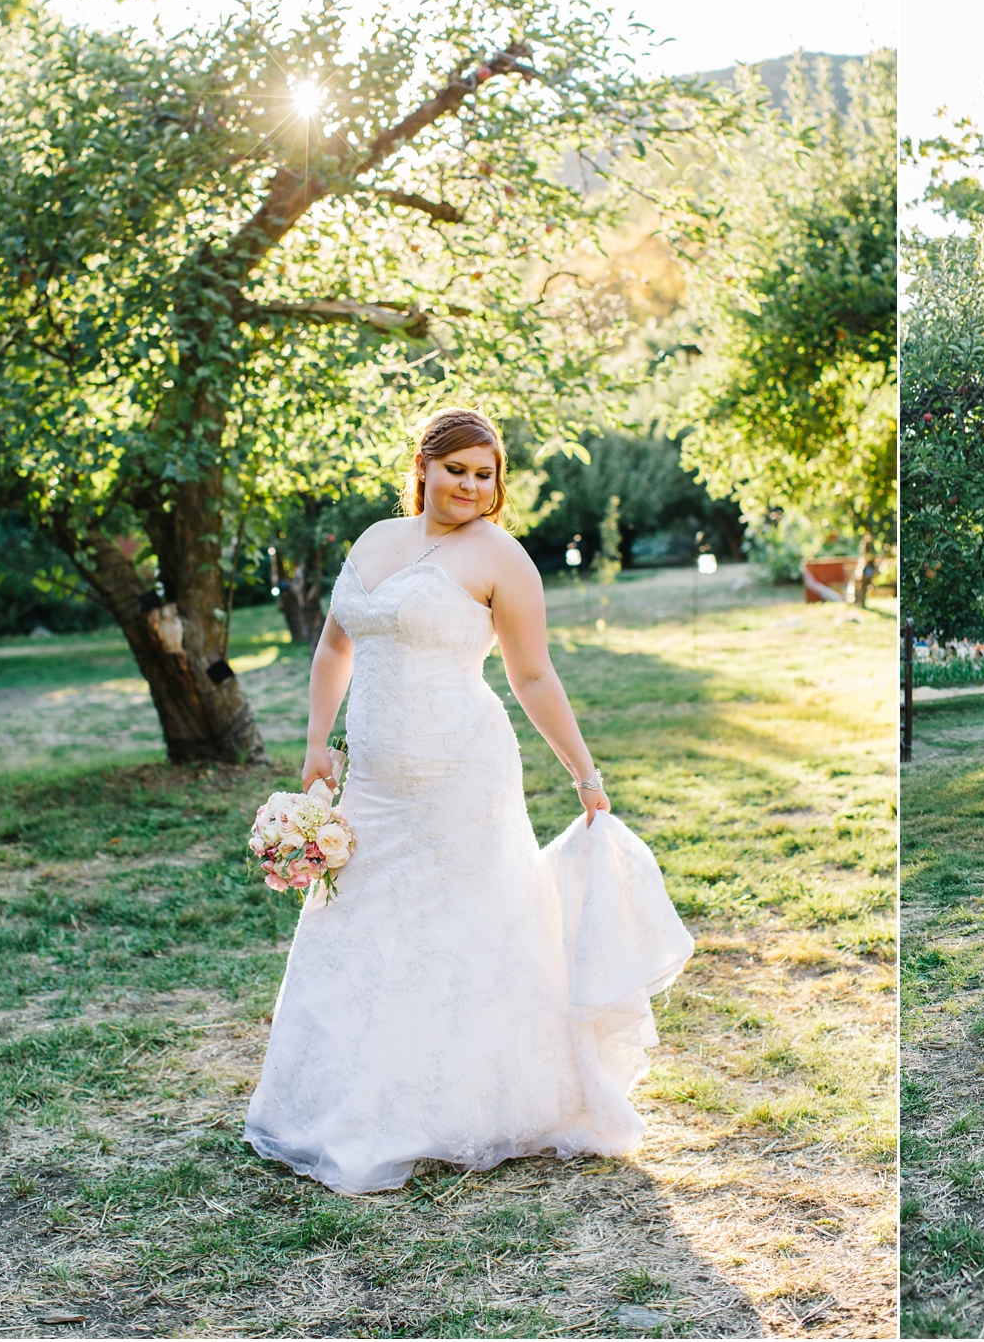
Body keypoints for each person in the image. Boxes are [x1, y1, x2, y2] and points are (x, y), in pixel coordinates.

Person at [244, 407, 694, 1194]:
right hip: (375, 784)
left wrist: (582, 771)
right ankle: (352, 1100)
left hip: (462, 776)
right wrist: (318, 743)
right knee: (357, 925)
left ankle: (475, 1104)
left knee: (465, 932)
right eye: (457, 469)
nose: (471, 486)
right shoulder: (373, 541)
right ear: (423, 465)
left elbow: (532, 676)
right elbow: (334, 647)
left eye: (486, 475)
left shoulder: (501, 557)